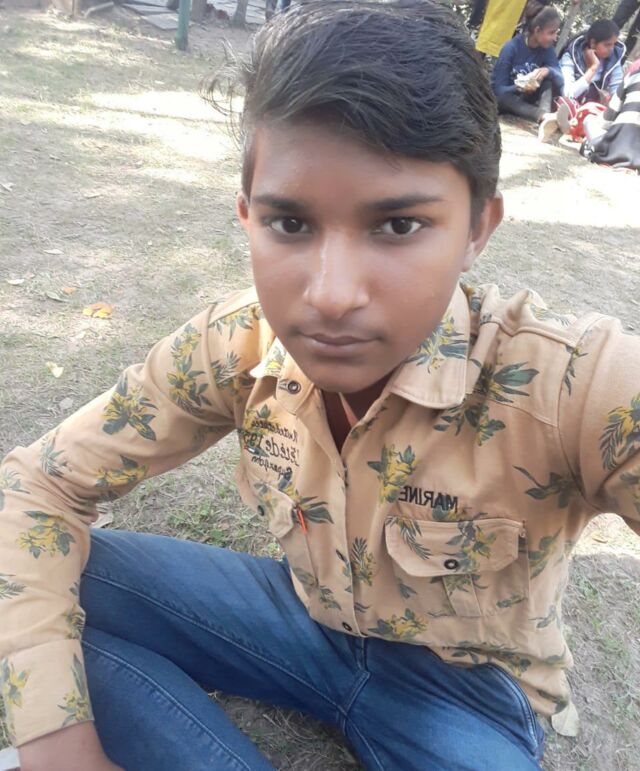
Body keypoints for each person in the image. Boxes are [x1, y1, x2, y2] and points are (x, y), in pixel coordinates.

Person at [1, 2, 639, 770]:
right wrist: (58, 744)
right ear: (248, 217)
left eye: (397, 225)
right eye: (291, 224)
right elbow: (36, 488)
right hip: (302, 620)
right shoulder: (237, 344)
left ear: (477, 227)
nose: (332, 295)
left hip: (471, 693)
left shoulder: (570, 385)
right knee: (45, 574)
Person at [491, 7, 564, 122]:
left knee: (548, 82)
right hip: (506, 100)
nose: (555, 38)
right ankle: (544, 116)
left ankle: (545, 120)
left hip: (526, 99)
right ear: (537, 30)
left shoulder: (547, 49)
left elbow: (560, 78)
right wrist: (519, 87)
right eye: (551, 33)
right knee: (504, 98)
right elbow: (499, 90)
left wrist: (548, 70)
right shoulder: (511, 48)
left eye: (556, 33)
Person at [580, 57, 640, 169]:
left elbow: (606, 121)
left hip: (617, 151)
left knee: (589, 120)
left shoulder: (635, 70)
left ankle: (588, 142)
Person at [560, 19, 625, 105]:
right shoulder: (571, 57)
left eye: (614, 44)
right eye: (607, 45)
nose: (611, 49)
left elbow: (617, 92)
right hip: (568, 107)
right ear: (593, 43)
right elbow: (567, 94)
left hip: (592, 108)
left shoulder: (613, 59)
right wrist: (592, 68)